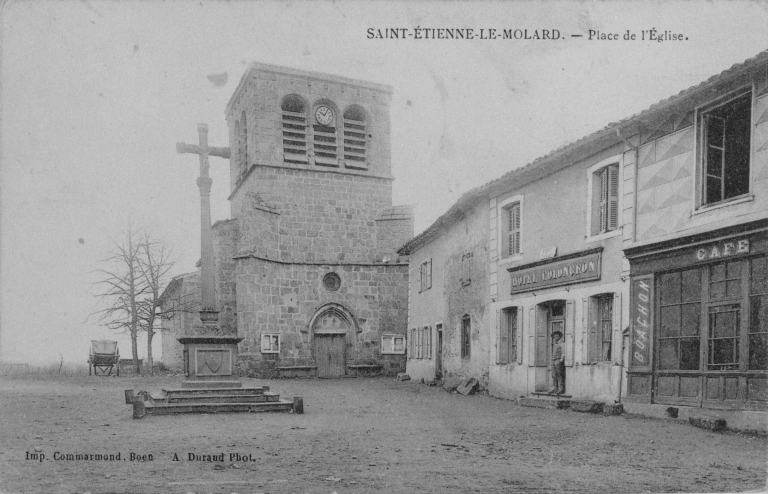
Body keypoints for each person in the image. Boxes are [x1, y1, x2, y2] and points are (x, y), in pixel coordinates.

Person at [550, 330, 565, 395]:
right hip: (553, 360)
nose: (556, 337)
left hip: (558, 360)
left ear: (560, 337)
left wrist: (561, 359)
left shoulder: (562, 344)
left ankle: (561, 388)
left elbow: (563, 353)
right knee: (554, 375)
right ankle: (554, 388)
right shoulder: (554, 344)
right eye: (555, 336)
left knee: (559, 375)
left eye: (557, 336)